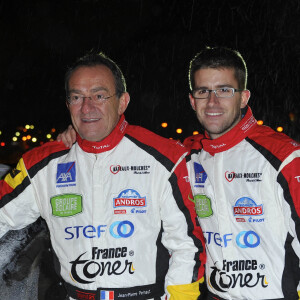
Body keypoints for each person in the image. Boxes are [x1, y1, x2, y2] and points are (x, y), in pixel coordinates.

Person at [0, 52, 206, 300]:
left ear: (122, 102)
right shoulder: (42, 164)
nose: (87, 108)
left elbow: (187, 244)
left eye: (99, 96)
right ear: (68, 105)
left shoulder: (165, 157)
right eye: (77, 97)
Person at [185, 46, 300, 299]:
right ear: (193, 101)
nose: (212, 102)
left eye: (224, 90)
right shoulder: (186, 156)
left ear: (244, 97)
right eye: (203, 91)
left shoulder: (284, 156)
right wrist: (76, 143)